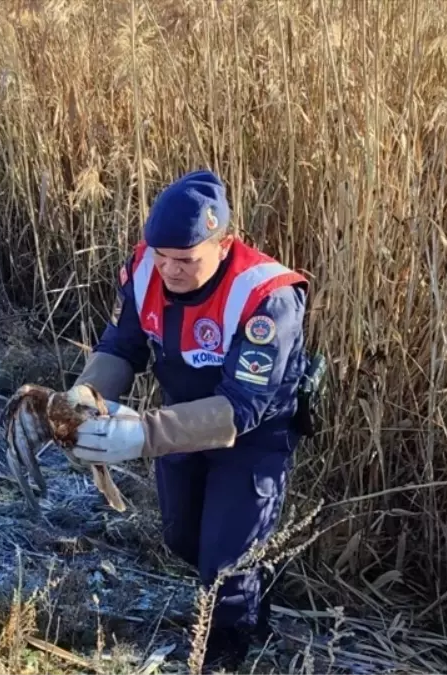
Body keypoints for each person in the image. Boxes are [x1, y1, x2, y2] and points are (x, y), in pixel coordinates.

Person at [61, 168, 310, 672]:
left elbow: (241, 408)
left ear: (225, 244)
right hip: (179, 419)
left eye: (186, 261)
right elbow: (122, 345)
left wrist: (141, 434)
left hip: (253, 436)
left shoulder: (268, 299)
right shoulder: (144, 269)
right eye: (162, 257)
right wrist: (85, 395)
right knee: (180, 537)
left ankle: (228, 646)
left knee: (223, 567)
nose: (170, 271)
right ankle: (251, 569)